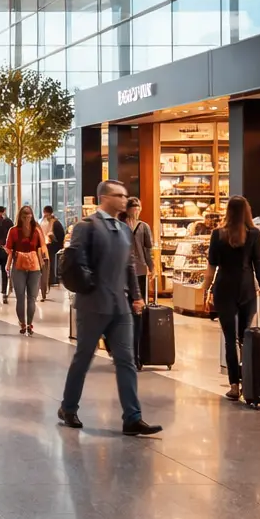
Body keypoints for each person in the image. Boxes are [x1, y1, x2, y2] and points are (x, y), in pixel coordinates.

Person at [58, 180, 162, 437]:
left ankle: (132, 417)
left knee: (126, 360)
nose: (124, 199)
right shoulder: (87, 226)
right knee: (84, 357)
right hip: (93, 305)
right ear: (104, 198)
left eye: (125, 195)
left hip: (120, 307)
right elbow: (75, 261)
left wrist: (136, 297)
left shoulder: (125, 229)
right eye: (119, 195)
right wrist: (91, 284)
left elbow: (129, 266)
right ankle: (68, 407)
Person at [200, 195, 260, 401]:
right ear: (248, 211)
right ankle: (248, 379)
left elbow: (211, 267)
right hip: (247, 288)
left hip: (224, 288)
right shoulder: (254, 234)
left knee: (230, 339)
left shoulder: (217, 234)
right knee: (245, 337)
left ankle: (234, 384)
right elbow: (259, 262)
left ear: (228, 212)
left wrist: (206, 290)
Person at [6, 205, 47, 335]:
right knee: (32, 298)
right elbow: (42, 248)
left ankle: (23, 324)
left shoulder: (13, 231)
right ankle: (30, 324)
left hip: (18, 266)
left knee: (20, 297)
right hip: (34, 266)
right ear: (31, 216)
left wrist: (8, 263)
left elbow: (9, 250)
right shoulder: (36, 230)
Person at [124, 196, 156, 355]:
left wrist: (153, 267)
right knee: (126, 308)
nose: (136, 210)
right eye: (133, 207)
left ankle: (138, 349)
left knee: (139, 309)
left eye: (138, 207)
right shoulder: (122, 225)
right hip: (124, 272)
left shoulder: (144, 227)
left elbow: (148, 250)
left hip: (141, 270)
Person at [41, 205, 66, 301]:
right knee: (49, 264)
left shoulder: (53, 223)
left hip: (51, 247)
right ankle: (49, 280)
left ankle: (51, 279)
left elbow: (59, 236)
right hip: (49, 246)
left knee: (50, 264)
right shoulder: (53, 222)